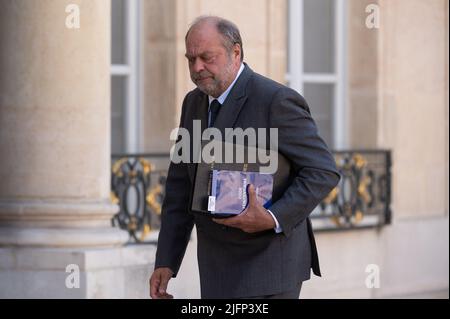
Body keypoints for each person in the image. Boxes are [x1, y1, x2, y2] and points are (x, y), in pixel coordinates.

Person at [149, 16, 340, 299]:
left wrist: (272, 217)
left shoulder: (277, 101)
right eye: (190, 59)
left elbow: (323, 171)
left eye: (206, 57)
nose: (197, 67)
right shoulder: (192, 103)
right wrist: (166, 259)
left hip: (270, 268)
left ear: (235, 52)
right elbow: (180, 188)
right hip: (216, 270)